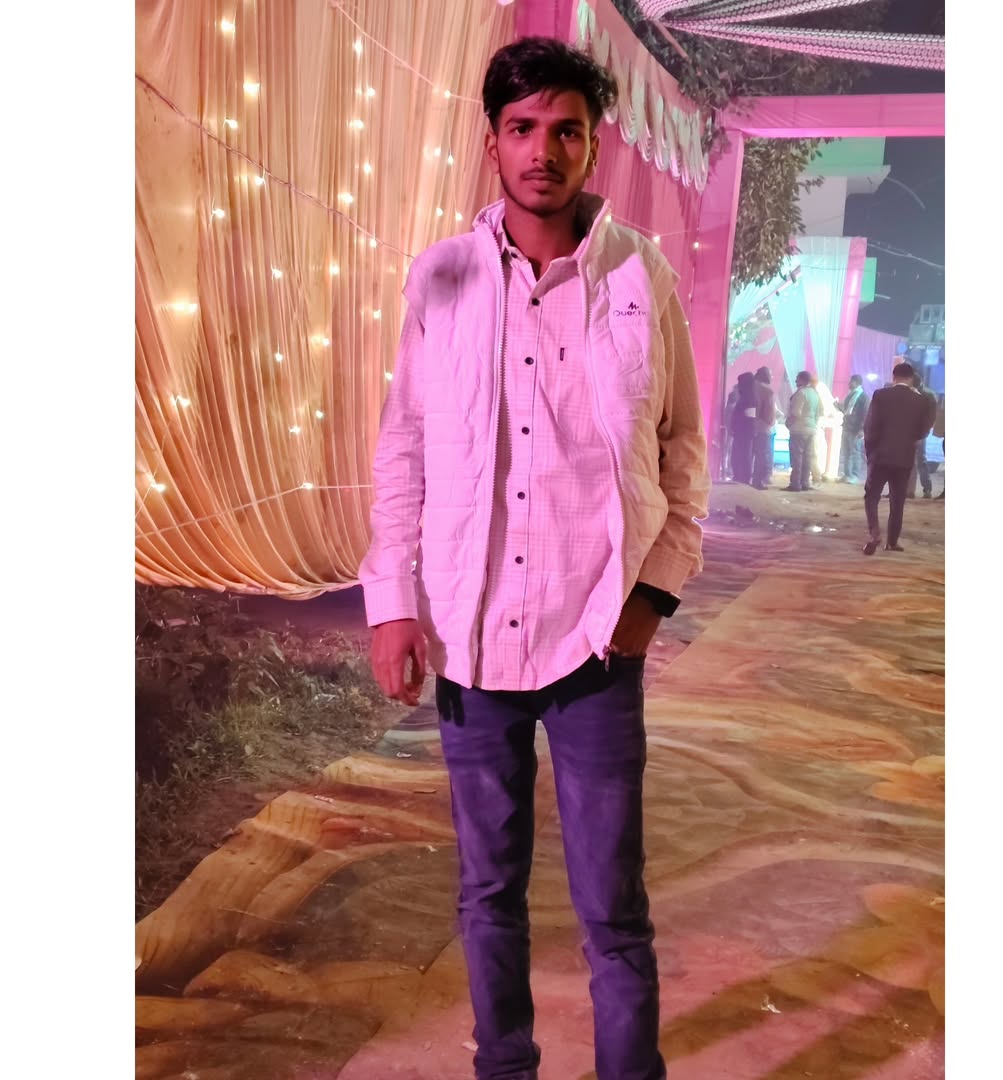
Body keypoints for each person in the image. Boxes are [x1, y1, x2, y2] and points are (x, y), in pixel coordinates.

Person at [358, 37, 709, 1080]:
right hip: (471, 638)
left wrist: (654, 592)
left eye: (566, 130)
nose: (542, 151)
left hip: (598, 638)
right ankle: (503, 1067)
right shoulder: (444, 278)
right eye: (522, 129)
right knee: (487, 894)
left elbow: (684, 447)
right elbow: (404, 445)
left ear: (594, 146)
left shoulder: (640, 277)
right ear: (492, 142)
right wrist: (392, 601)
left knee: (614, 907)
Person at [862, 361, 936, 554]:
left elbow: (870, 426)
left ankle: (874, 534)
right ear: (911, 379)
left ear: (893, 377)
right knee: (897, 501)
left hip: (880, 456)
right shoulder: (921, 401)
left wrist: (870, 453)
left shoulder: (880, 395)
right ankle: (892, 542)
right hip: (904, 458)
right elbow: (923, 431)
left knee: (872, 497)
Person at [784, 370, 820, 492]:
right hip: (811, 429)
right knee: (807, 457)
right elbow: (818, 413)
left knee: (797, 457)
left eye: (797, 378)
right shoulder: (814, 394)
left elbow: (796, 413)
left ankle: (795, 483)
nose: (795, 381)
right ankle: (805, 482)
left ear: (802, 380)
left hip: (799, 429)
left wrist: (788, 423)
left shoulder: (801, 393)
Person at [905, 371, 939, 499]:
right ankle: (907, 489)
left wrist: (923, 434)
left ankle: (927, 488)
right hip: (907, 431)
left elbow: (931, 417)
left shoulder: (928, 395)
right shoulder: (909, 392)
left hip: (920, 432)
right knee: (907, 461)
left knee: (920, 461)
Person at [750, 365, 778, 489]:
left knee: (748, 454)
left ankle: (744, 479)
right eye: (770, 375)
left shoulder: (747, 387)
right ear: (766, 376)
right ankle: (757, 481)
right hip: (762, 427)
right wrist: (770, 422)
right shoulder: (767, 391)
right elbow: (769, 413)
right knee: (761, 455)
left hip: (747, 426)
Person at [808, 374, 839, 484]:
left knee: (815, 452)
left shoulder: (816, 391)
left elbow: (824, 410)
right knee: (816, 451)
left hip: (815, 426)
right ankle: (817, 474)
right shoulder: (816, 391)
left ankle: (817, 475)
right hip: (816, 426)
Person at [838, 374, 869, 482]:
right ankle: (847, 474)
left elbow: (865, 414)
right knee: (846, 452)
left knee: (855, 452)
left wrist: (862, 429)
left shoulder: (863, 397)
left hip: (856, 429)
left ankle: (854, 475)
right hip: (847, 427)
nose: (849, 383)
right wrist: (838, 405)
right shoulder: (851, 395)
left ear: (856, 382)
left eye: (850, 381)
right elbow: (847, 411)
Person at [730, 371, 757, 484]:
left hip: (745, 432)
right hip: (741, 431)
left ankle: (744, 478)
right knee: (738, 455)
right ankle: (739, 476)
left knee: (744, 455)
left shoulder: (750, 399)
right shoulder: (746, 397)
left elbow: (750, 418)